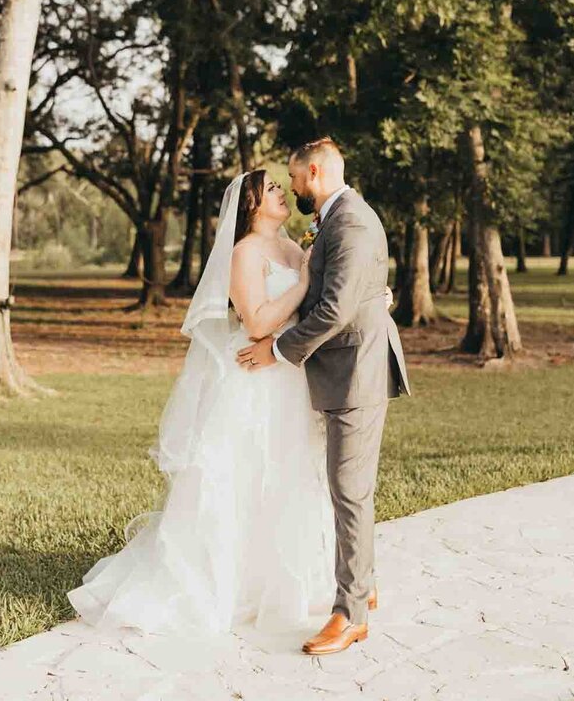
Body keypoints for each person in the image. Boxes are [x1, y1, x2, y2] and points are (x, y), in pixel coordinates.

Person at [67, 169, 336, 634]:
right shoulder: (243, 254)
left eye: (279, 186)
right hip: (254, 379)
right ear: (251, 206)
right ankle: (225, 584)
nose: (282, 193)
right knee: (245, 478)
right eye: (272, 189)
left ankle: (288, 584)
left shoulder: (293, 248)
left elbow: (318, 304)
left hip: (290, 376)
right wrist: (303, 281)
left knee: (292, 472)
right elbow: (256, 323)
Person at [238, 136, 410, 655]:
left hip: (355, 371)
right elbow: (343, 290)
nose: (290, 187)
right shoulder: (337, 219)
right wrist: (375, 298)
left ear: (313, 173)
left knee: (348, 489)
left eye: (292, 178)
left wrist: (279, 351)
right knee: (348, 486)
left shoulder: (351, 221)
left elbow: (334, 311)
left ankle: (350, 614)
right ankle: (365, 585)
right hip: (345, 367)